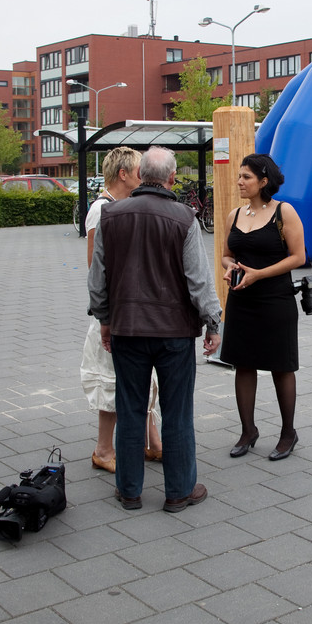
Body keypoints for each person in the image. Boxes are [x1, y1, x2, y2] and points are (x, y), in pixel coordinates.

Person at [88, 147, 222, 512]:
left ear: (141, 174)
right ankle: (179, 491)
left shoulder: (111, 215)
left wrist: (104, 319)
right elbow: (198, 279)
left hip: (127, 329)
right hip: (174, 332)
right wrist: (213, 322)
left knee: (130, 408)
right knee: (177, 411)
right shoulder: (184, 217)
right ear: (171, 178)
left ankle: (129, 490)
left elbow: (98, 277)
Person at [79, 147, 163, 473]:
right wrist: (108, 313)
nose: (145, 176)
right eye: (140, 170)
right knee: (112, 378)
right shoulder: (102, 210)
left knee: (142, 375)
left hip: (132, 308)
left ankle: (151, 442)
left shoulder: (123, 206)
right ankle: (103, 449)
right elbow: (95, 266)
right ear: (124, 174)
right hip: (114, 312)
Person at [220, 153, 307, 460]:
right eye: (240, 176)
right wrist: (230, 266)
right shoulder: (234, 215)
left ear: (264, 181)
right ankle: (248, 431)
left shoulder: (284, 212)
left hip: (275, 300)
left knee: (281, 366)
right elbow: (226, 254)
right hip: (241, 300)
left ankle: (288, 433)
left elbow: (298, 256)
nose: (240, 181)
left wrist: (259, 274)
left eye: (246, 177)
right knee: (243, 364)